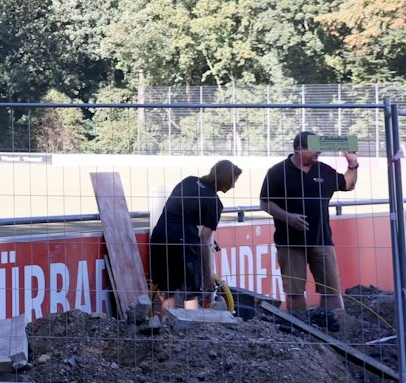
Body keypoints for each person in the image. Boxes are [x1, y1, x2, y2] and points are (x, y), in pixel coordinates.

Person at [260, 131, 359, 332]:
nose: (318, 152)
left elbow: (348, 185)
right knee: (295, 291)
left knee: (331, 289)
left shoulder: (324, 170)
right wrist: (289, 217)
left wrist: (352, 165)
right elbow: (265, 202)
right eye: (313, 148)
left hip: (322, 239)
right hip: (289, 242)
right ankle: (301, 331)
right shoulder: (277, 172)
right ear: (299, 149)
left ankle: (334, 331)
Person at [149, 160, 242, 311]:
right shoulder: (214, 202)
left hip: (159, 237)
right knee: (190, 293)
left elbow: (183, 212)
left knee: (167, 291)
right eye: (233, 181)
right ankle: (191, 329)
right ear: (225, 180)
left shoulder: (189, 181)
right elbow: (205, 240)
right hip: (183, 245)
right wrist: (207, 275)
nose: (233, 186)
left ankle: (165, 327)